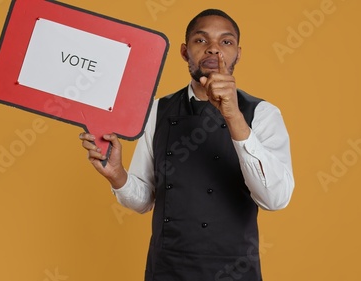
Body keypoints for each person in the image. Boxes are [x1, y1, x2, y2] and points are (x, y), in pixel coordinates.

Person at [79, 8, 295, 281]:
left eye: (225, 42)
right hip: (167, 268)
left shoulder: (262, 114)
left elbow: (276, 200)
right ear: (184, 51)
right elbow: (144, 200)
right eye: (201, 40)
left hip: (234, 269)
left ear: (238, 53)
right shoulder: (158, 110)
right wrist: (117, 175)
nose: (213, 50)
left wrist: (233, 116)